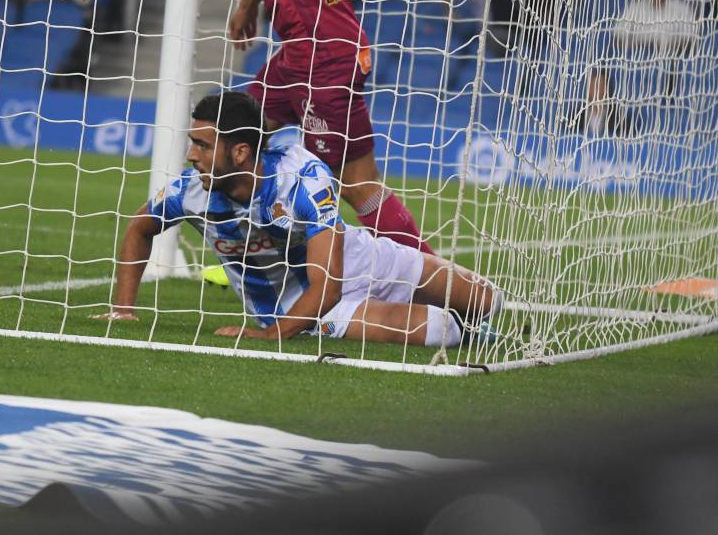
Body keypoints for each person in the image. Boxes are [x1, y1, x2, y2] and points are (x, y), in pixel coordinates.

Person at [62, 0, 435, 256]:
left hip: (324, 53)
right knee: (234, 136)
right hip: (304, 50)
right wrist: (248, 2)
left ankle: (437, 280)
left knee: (358, 185)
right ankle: (251, 255)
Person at [97, 91, 500, 349]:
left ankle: (453, 315)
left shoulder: (302, 178)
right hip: (296, 306)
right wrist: (123, 309)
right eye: (192, 144)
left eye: (202, 145)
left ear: (240, 153)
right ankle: (459, 330)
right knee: (439, 330)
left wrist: (268, 338)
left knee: (488, 299)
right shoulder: (190, 191)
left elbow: (329, 284)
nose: (190, 156)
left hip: (352, 261)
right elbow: (139, 228)